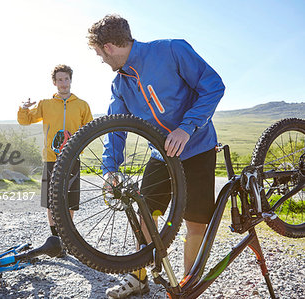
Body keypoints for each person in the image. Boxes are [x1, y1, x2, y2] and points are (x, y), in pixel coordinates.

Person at [87, 15, 225, 298]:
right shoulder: (120, 84)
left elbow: (213, 86)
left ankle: (188, 285)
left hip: (197, 147)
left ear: (110, 46)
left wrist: (186, 128)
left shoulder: (172, 50)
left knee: (195, 223)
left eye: (99, 52)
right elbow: (115, 128)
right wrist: (110, 169)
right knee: (145, 216)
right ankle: (139, 277)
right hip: (161, 156)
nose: (100, 59)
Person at [17, 64, 93, 256]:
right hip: (51, 159)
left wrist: (79, 148)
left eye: (66, 79)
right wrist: (23, 108)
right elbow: (25, 120)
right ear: (54, 82)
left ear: (70, 80)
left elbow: (91, 130)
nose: (63, 83)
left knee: (70, 202)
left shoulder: (82, 105)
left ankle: (67, 240)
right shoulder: (45, 104)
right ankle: (55, 242)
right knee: (52, 201)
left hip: (72, 159)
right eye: (59, 80)